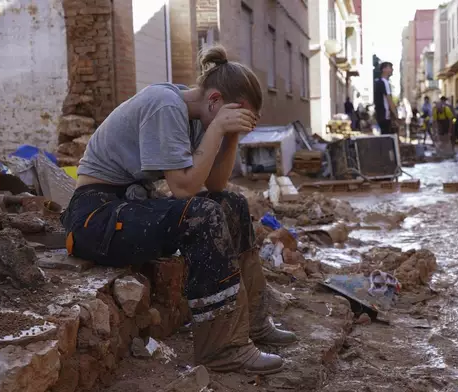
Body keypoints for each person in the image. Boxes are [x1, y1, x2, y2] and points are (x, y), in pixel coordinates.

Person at [60, 45, 297, 375]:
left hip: (131, 204)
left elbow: (215, 185)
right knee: (202, 215)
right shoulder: (165, 105)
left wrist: (230, 137)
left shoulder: (198, 115)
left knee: (232, 204)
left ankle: (253, 323)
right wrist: (217, 129)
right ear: (214, 100)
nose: (234, 122)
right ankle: (223, 348)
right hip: (95, 217)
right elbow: (183, 189)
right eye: (234, 114)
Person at [374, 62, 398, 135]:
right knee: (388, 137)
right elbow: (389, 99)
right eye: (390, 68)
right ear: (384, 69)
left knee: (384, 136)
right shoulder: (385, 82)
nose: (392, 70)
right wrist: (395, 114)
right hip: (385, 115)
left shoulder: (378, 82)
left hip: (380, 115)